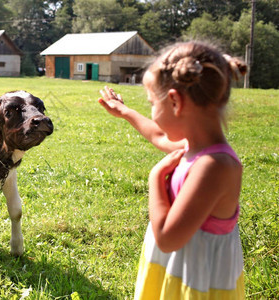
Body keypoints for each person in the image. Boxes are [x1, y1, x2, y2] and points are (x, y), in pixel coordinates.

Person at [98, 41, 247, 299]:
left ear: (175, 102)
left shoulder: (214, 167)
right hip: (178, 272)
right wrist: (124, 111)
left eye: (152, 103)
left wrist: (155, 178)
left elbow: (167, 238)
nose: (152, 113)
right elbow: (157, 135)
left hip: (197, 285)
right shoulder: (196, 146)